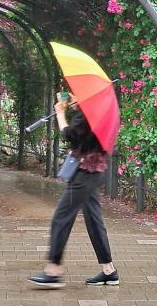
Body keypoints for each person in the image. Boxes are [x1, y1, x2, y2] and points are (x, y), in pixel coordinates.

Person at [28, 95, 119, 289]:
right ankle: (109, 271)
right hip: (93, 170)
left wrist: (61, 113)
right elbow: (84, 139)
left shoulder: (88, 111)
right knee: (94, 220)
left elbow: (69, 134)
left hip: (84, 172)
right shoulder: (99, 109)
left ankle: (53, 271)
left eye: (75, 93)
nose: (72, 96)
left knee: (61, 218)